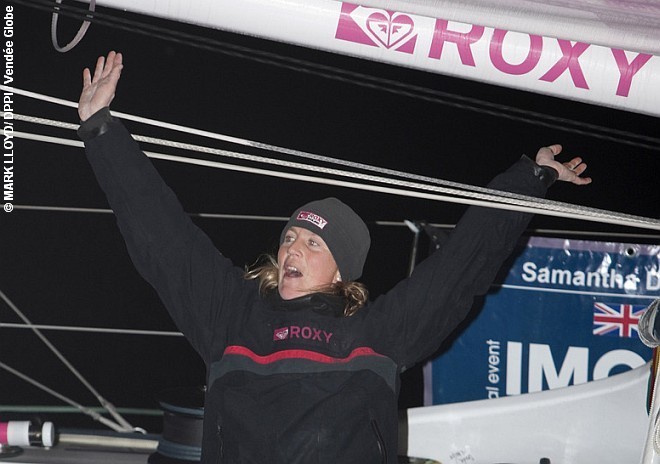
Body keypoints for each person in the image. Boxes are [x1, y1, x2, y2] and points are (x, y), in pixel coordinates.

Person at [77, 51, 591, 464]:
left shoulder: (378, 333)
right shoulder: (230, 314)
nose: (292, 247)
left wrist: (530, 179)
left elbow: (461, 267)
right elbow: (163, 238)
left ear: (341, 270)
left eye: (313, 243)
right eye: (290, 237)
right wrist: (101, 130)